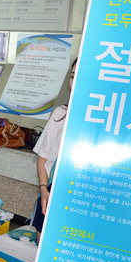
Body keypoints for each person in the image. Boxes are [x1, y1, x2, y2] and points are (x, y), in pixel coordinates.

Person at [32, 58, 77, 239]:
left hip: (78, 193)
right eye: (73, 76)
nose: (74, 82)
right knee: (41, 240)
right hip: (50, 190)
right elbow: (43, 158)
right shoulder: (60, 114)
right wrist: (44, 189)